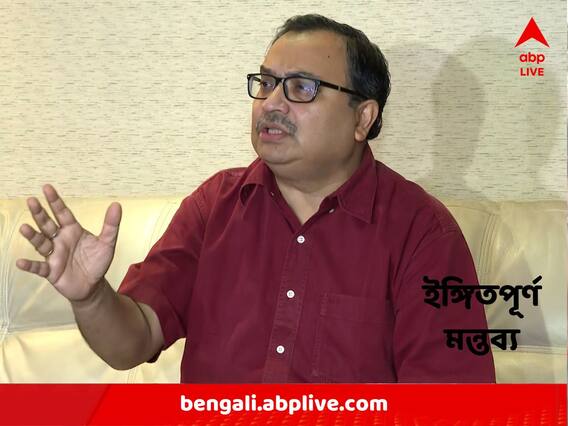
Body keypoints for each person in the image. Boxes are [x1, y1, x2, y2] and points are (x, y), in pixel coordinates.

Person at [16, 14, 495, 383]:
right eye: (265, 83)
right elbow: (131, 343)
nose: (271, 103)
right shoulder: (215, 206)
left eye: (301, 88)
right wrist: (91, 297)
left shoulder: (423, 233)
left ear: (362, 119)